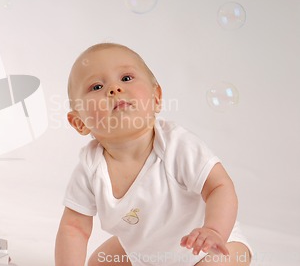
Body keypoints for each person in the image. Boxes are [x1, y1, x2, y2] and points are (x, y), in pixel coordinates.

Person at [55, 43, 252, 266]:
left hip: (209, 246)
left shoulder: (176, 145)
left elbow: (219, 186)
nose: (114, 89)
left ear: (156, 97)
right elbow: (74, 228)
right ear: (79, 122)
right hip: (145, 253)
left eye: (126, 78)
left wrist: (214, 230)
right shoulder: (90, 167)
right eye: (97, 86)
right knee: (98, 263)